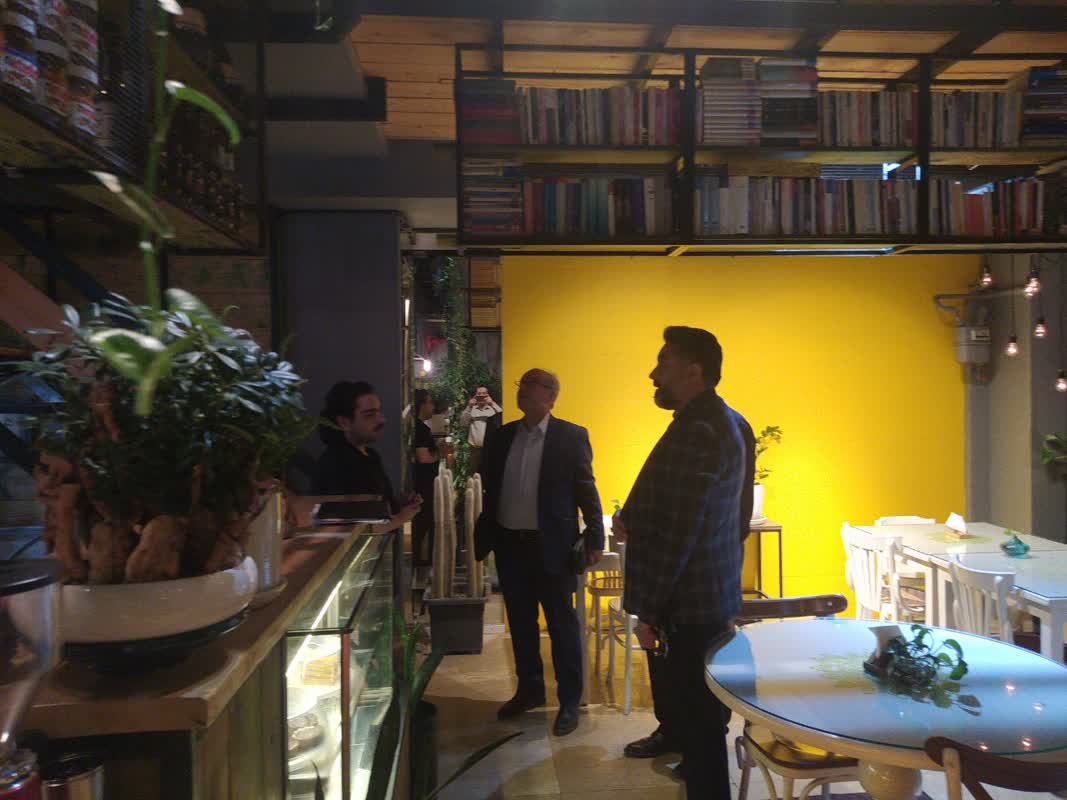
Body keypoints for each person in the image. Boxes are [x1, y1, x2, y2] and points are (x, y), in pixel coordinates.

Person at [613, 326, 751, 797]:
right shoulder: (726, 421)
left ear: (694, 371)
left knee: (701, 728)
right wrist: (634, 515)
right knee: (702, 726)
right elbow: (727, 517)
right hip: (706, 597)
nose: (654, 375)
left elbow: (679, 531)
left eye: (663, 363)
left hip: (687, 606)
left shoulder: (699, 429)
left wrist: (648, 611)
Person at [475, 368, 603, 737]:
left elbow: (586, 488)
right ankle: (529, 690)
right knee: (520, 623)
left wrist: (595, 537)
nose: (525, 389)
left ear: (551, 396)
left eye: (533, 384)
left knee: (562, 625)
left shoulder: (571, 437)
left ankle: (569, 701)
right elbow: (491, 488)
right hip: (510, 545)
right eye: (523, 383)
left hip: (553, 547)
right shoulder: (502, 436)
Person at [314, 380, 422, 531]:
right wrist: (401, 518)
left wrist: (398, 505)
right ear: (344, 422)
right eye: (370, 415)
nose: (381, 419)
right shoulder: (336, 464)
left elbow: (369, 509)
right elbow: (352, 529)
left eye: (379, 412)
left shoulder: (370, 455)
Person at [411, 389, 439, 568]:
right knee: (425, 520)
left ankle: (420, 558)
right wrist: (439, 453)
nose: (433, 406)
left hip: (422, 482)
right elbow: (423, 457)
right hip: (424, 483)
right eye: (430, 402)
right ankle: (422, 561)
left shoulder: (417, 427)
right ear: (422, 404)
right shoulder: (420, 429)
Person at [460, 385, 502, 475]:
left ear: (488, 395)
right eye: (479, 394)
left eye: (484, 393)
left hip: (490, 448)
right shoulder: (472, 409)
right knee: (475, 474)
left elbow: (503, 418)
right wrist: (469, 406)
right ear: (475, 395)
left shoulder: (493, 409)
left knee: (489, 473)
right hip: (475, 449)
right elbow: (463, 423)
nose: (481, 396)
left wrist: (493, 403)